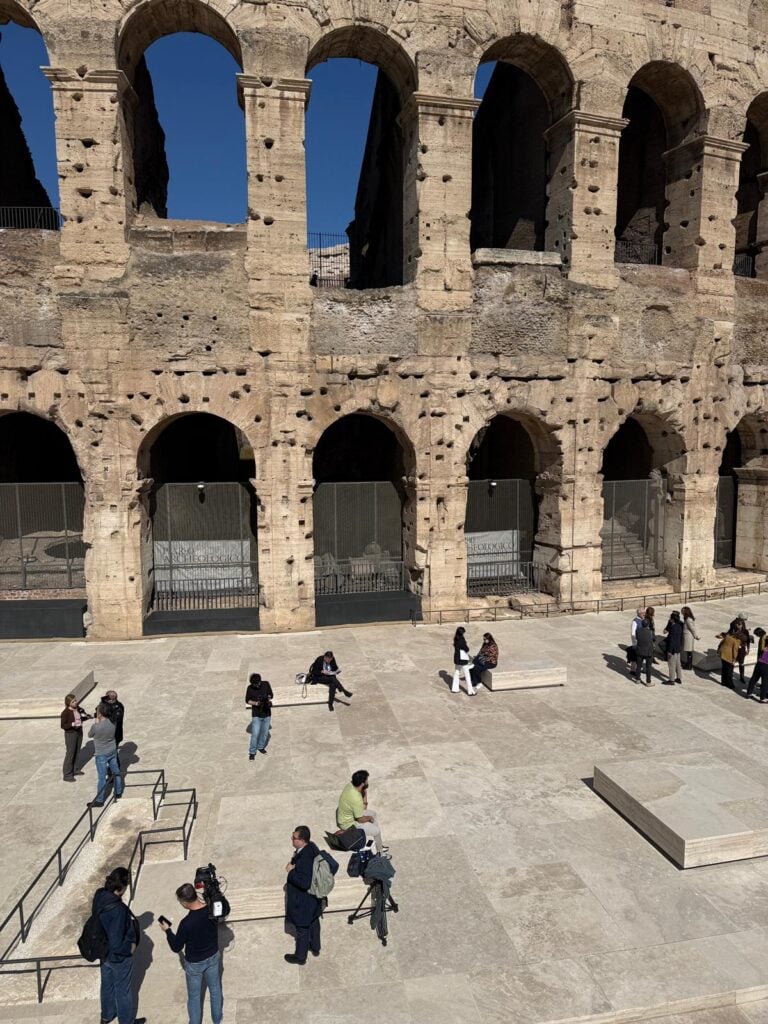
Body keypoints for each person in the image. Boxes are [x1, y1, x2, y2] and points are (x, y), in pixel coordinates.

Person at [159, 882, 223, 1024]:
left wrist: (168, 931)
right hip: (213, 956)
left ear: (185, 902)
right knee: (215, 990)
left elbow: (176, 947)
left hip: (195, 963)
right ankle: (217, 1020)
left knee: (194, 997)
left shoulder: (186, 923)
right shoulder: (212, 910)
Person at [92, 866, 144, 1024]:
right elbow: (116, 942)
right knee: (123, 990)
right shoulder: (118, 910)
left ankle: (107, 1015)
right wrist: (130, 948)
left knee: (107, 984)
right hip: (118, 956)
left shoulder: (99, 896)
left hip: (103, 950)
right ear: (121, 888)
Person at [284, 825, 322, 965]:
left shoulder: (305, 857)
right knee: (313, 920)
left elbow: (304, 883)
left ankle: (300, 957)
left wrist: (291, 871)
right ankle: (315, 946)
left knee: (302, 928)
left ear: (302, 840)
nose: (291, 839)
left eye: (294, 837)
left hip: (304, 900)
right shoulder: (311, 847)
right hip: (314, 898)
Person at [336, 769, 382, 853]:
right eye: (366, 780)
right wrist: (369, 818)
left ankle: (378, 843)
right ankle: (380, 852)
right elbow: (360, 818)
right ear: (362, 784)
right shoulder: (356, 798)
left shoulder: (350, 785)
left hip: (345, 816)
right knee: (376, 831)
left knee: (374, 814)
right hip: (349, 824)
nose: (368, 781)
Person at [88, 703, 124, 807]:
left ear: (99, 713)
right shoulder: (113, 722)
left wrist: (96, 722)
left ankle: (100, 800)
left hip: (101, 754)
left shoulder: (96, 727)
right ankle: (118, 792)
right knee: (116, 772)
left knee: (102, 778)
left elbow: (90, 735)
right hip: (112, 750)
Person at [61, 692, 89, 782]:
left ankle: (75, 769)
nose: (75, 703)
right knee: (70, 753)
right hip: (71, 734)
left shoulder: (78, 709)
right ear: (68, 703)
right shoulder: (65, 713)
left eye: (75, 701)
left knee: (77, 751)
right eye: (73, 702)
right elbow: (63, 725)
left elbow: (82, 716)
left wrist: (86, 717)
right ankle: (67, 774)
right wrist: (72, 724)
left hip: (79, 732)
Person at [245, 672, 273, 761]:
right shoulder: (250, 688)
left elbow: (271, 695)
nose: (256, 685)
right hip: (256, 714)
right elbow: (247, 700)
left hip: (267, 713)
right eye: (254, 684)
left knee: (264, 733)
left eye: (257, 683)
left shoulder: (266, 684)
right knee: (255, 734)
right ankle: (252, 752)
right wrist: (256, 703)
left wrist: (267, 698)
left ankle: (261, 747)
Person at [451, 626, 475, 695]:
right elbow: (467, 649)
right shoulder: (461, 640)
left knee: (456, 673)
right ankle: (470, 691)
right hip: (463, 660)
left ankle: (455, 689)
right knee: (467, 674)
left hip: (457, 659)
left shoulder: (455, 639)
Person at [664, 610, 684, 684]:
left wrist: (669, 651)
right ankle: (679, 678)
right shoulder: (680, 626)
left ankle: (671, 680)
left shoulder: (673, 627)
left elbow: (672, 640)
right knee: (678, 664)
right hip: (678, 648)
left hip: (673, 649)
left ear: (672, 619)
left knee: (671, 665)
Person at [731, 615, 752, 685]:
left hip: (742, 648)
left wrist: (748, 648)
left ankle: (742, 677)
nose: (742, 623)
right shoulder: (733, 624)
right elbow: (731, 635)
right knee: (733, 662)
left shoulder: (744, 629)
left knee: (741, 663)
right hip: (735, 647)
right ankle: (730, 676)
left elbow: (748, 640)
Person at [634, 618, 655, 686]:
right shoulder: (650, 632)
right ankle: (648, 682)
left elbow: (637, 638)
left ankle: (637, 679)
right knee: (648, 667)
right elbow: (654, 639)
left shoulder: (637, 630)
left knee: (639, 666)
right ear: (648, 625)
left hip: (640, 650)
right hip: (648, 651)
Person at [747, 627, 768, 692]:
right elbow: (762, 649)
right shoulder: (764, 637)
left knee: (755, 677)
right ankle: (764, 694)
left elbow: (762, 648)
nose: (757, 636)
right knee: (765, 679)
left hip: (761, 660)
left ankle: (749, 692)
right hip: (764, 661)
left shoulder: (763, 638)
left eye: (757, 634)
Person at [681, 606, 699, 670]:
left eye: (683, 611)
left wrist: (696, 636)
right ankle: (688, 664)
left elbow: (692, 629)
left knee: (689, 652)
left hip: (688, 637)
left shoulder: (688, 619)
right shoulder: (687, 618)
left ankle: (689, 665)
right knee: (688, 652)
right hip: (687, 636)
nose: (682, 612)